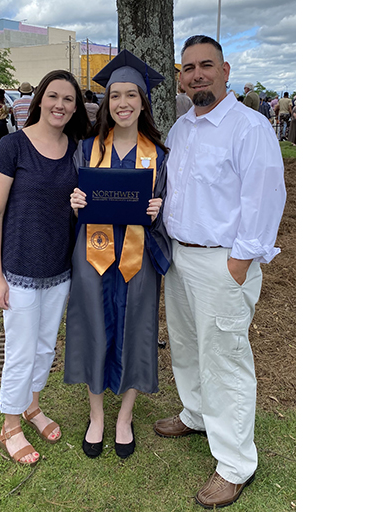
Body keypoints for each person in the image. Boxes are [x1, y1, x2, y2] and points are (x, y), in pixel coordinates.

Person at [157, 34, 286, 509]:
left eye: (205, 65)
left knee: (226, 358)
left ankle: (234, 464)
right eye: (188, 68)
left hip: (222, 261)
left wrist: (240, 259)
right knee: (188, 345)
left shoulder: (249, 127)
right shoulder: (182, 129)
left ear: (225, 70)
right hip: (180, 256)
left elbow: (266, 197)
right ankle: (195, 412)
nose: (196, 75)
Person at [64, 50, 171, 460]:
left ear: (144, 102)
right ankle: (96, 415)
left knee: (137, 328)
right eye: (115, 96)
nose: (123, 103)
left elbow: (171, 210)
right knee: (93, 323)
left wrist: (161, 208)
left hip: (139, 258)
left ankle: (124, 415)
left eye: (132, 95)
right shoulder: (86, 149)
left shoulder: (159, 155)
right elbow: (73, 205)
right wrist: (74, 202)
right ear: (106, 103)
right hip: (92, 256)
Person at [0, 69, 91, 466]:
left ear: (75, 107)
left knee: (45, 347)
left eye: (68, 99)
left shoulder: (76, 149)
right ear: (40, 100)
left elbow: (77, 206)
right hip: (20, 269)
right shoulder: (12, 147)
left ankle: (31, 405)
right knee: (21, 349)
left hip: (59, 269)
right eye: (54, 96)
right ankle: (10, 424)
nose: (60, 105)